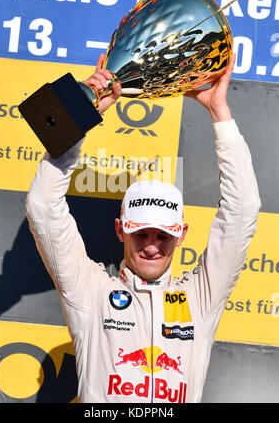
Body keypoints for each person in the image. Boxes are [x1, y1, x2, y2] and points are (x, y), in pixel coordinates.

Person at [25, 53, 261, 403]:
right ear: (121, 231)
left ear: (180, 235)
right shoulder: (90, 293)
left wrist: (219, 112)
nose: (152, 246)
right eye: (142, 234)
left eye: (163, 235)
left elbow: (242, 212)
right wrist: (82, 115)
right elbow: (43, 208)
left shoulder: (200, 298)